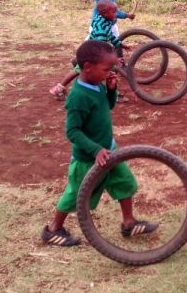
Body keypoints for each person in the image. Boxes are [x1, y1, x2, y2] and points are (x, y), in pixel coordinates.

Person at [40, 40, 158, 246]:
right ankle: (53, 229)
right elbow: (72, 131)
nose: (110, 73)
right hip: (87, 158)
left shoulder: (97, 84)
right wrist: (95, 149)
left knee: (125, 183)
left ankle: (129, 223)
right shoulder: (78, 96)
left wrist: (111, 89)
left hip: (109, 151)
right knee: (75, 195)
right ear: (87, 67)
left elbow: (108, 106)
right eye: (106, 69)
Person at [49, 0, 131, 100]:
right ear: (105, 13)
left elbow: (110, 36)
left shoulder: (103, 21)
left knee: (93, 70)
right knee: (91, 70)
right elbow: (101, 47)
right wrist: (114, 60)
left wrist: (120, 45)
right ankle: (113, 93)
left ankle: (60, 88)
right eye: (114, 12)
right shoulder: (102, 27)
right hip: (92, 54)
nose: (116, 14)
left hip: (92, 51)